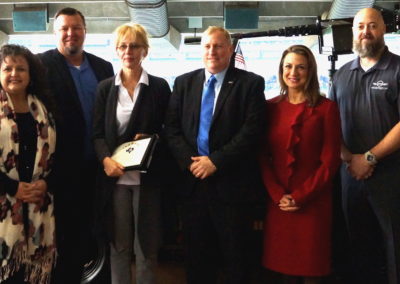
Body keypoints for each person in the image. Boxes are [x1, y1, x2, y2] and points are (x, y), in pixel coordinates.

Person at [164, 26, 266, 284]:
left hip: (231, 187)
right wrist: (193, 164)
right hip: (192, 186)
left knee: (236, 261)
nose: (212, 51)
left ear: (230, 50)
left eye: (219, 46)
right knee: (196, 261)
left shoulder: (250, 83)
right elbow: (172, 129)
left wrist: (215, 161)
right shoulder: (184, 83)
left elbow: (251, 132)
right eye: (207, 46)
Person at [38, 7, 114, 283]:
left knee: (98, 233)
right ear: (55, 32)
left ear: (85, 30)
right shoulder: (40, 65)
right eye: (64, 28)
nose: (71, 33)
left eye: (76, 28)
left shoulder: (103, 67)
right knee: (65, 238)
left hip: (99, 167)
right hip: (61, 171)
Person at [92, 23, 171, 284]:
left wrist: (153, 138)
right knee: (119, 246)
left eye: (135, 46)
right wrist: (105, 160)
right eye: (123, 46)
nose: (129, 51)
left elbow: (169, 131)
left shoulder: (159, 87)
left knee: (146, 247)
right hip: (115, 179)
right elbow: (97, 134)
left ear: (145, 51)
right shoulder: (105, 88)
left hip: (147, 181)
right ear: (116, 50)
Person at [259, 45, 341, 284]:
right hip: (279, 204)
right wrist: (278, 195)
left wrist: (301, 196)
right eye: (288, 66)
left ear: (310, 71)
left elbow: (330, 161)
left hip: (313, 204)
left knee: (312, 273)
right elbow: (262, 157)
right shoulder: (269, 107)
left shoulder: (327, 109)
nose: (293, 72)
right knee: (283, 273)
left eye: (300, 67)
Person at [330, 7, 400, 284]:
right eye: (360, 27)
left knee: (394, 245)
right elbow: (330, 123)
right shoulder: (342, 75)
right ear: (353, 32)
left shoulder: (397, 69)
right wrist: (349, 158)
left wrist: (368, 158)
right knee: (359, 247)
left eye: (372, 26)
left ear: (383, 29)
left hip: (391, 175)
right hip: (351, 177)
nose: (365, 32)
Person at [0, 44, 56, 283]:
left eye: (21, 68)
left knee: (31, 276)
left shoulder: (44, 109)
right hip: (5, 204)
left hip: (38, 204)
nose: (14, 74)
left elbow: (57, 157)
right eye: (8, 68)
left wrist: (45, 183)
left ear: (30, 74)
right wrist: (13, 188)